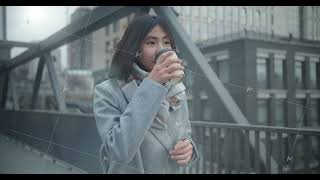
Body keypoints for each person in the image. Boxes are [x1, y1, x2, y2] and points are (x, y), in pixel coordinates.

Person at [93, 14, 199, 174]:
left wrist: (188, 149)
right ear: (135, 49)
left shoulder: (178, 89)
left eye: (166, 42)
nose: (161, 49)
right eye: (151, 42)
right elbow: (119, 151)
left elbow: (184, 134)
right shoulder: (107, 91)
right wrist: (152, 84)